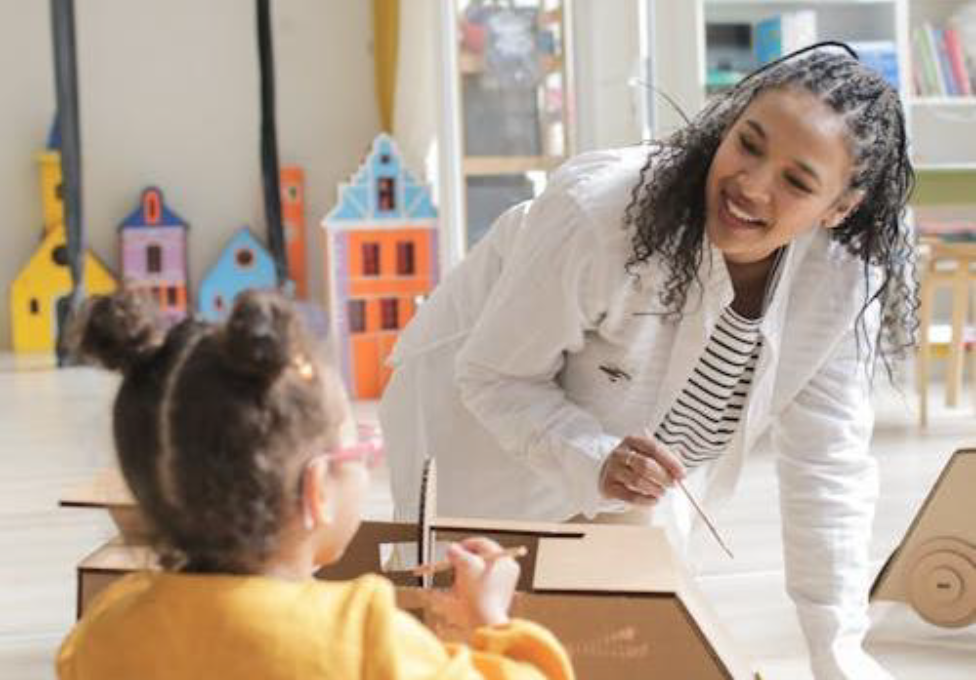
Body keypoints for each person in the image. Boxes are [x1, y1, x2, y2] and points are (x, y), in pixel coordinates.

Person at [380, 44, 915, 680]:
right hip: (476, 417)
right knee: (461, 632)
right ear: (730, 121)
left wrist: (837, 653)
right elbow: (493, 376)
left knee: (627, 638)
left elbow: (828, 466)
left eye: (797, 182)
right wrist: (591, 456)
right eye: (748, 143)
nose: (750, 185)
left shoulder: (841, 277)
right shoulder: (601, 215)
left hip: (633, 457)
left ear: (838, 208)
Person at [57, 290, 574, 680]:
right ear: (316, 491)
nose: (369, 464)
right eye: (360, 451)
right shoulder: (365, 636)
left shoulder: (103, 632)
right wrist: (494, 622)